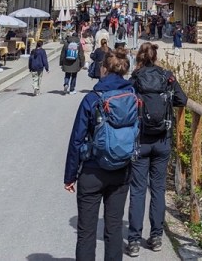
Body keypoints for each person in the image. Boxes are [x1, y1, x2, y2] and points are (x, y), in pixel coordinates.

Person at [64, 48, 135, 261]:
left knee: (86, 231)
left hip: (93, 171)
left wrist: (70, 176)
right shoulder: (132, 95)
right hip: (121, 170)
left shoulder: (93, 98)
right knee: (113, 230)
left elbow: (77, 139)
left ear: (103, 69)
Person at [125, 42, 187, 256]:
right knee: (158, 189)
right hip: (162, 140)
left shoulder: (135, 79)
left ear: (140, 58)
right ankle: (156, 237)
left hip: (140, 140)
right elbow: (182, 100)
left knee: (138, 190)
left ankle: (133, 241)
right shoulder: (166, 76)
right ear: (156, 57)